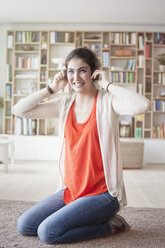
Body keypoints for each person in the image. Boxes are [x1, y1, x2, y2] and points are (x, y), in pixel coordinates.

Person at [12, 47, 150, 244]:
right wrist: (51, 89)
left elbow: (143, 105)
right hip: (72, 190)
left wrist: (108, 84)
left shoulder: (107, 102)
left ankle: (111, 225)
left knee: (48, 233)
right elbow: (19, 110)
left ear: (94, 72)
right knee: (25, 225)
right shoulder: (64, 104)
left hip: (103, 195)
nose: (76, 77)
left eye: (82, 70)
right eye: (70, 71)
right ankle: (84, 216)